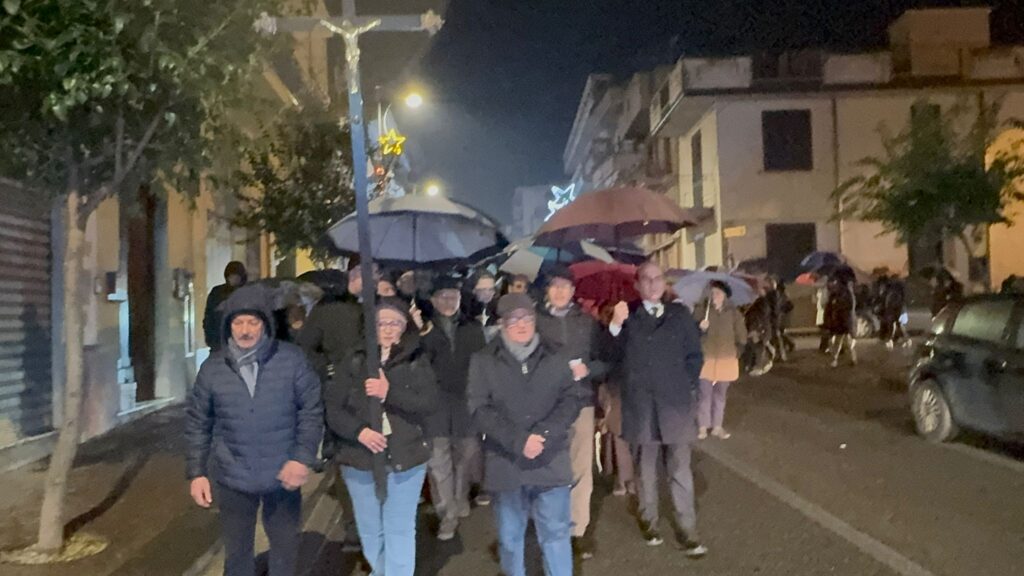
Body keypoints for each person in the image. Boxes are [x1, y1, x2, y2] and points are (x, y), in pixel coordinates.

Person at [186, 285, 323, 576]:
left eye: (252, 322)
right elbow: (199, 423)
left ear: (265, 324)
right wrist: (197, 473)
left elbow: (311, 410)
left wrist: (302, 458)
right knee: (237, 557)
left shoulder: (291, 360)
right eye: (238, 322)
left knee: (284, 555)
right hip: (233, 476)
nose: (245, 330)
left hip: (282, 474)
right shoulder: (212, 369)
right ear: (228, 326)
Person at [324, 297, 439, 576]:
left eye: (395, 323)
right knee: (371, 530)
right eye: (382, 323)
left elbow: (429, 403)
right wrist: (359, 432)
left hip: (405, 457)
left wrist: (389, 393)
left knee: (398, 529)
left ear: (405, 327)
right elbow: (333, 408)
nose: (388, 329)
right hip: (359, 458)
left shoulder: (416, 360)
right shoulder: (353, 360)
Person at [467, 293, 578, 576]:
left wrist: (544, 434)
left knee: (556, 535)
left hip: (550, 459)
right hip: (507, 463)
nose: (522, 324)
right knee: (510, 539)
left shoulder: (557, 354)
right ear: (502, 323)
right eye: (513, 319)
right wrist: (519, 441)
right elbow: (479, 409)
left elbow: (571, 399)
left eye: (527, 318)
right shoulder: (483, 360)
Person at [609, 262, 707, 556]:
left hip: (675, 405)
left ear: (665, 283)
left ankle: (687, 529)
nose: (652, 284)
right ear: (637, 285)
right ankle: (649, 520)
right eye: (646, 279)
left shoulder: (679, 315)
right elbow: (609, 357)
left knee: (680, 468)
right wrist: (614, 326)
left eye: (658, 279)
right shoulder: (626, 316)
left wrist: (687, 385)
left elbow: (694, 355)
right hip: (641, 406)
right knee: (646, 470)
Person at [535, 266, 607, 560]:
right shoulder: (534, 322)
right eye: (555, 286)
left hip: (581, 403)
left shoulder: (587, 323)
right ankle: (551, 527)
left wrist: (588, 369)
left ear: (574, 291)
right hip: (546, 406)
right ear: (547, 290)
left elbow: (605, 362)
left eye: (566, 286)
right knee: (549, 467)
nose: (560, 291)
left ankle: (577, 531)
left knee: (580, 469)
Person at [419, 277, 487, 541]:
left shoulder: (472, 328)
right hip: (434, 404)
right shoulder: (425, 329)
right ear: (434, 300)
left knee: (466, 453)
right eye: (443, 296)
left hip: (466, 402)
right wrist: (422, 335)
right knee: (438, 461)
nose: (449, 302)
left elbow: (483, 365)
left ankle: (459, 497)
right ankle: (446, 514)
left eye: (453, 296)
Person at [694, 280, 747, 441]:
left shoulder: (734, 314)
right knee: (704, 394)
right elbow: (690, 335)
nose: (714, 295)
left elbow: (741, 336)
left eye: (718, 293)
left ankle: (717, 426)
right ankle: (703, 426)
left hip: (726, 360)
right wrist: (699, 328)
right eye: (712, 292)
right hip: (706, 359)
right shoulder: (701, 311)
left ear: (725, 296)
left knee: (720, 395)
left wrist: (736, 353)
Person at [203, 261, 248, 352]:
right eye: (231, 277)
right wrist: (211, 340)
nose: (233, 280)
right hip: (220, 342)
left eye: (236, 277)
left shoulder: (248, 292)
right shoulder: (217, 293)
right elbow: (209, 317)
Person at [825, 275, 857, 368]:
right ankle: (843, 359)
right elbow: (830, 307)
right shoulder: (836, 294)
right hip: (840, 320)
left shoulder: (846, 295)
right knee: (840, 341)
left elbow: (849, 308)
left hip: (844, 320)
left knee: (844, 341)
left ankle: (851, 358)